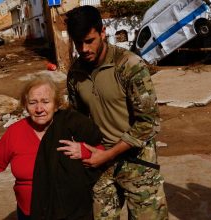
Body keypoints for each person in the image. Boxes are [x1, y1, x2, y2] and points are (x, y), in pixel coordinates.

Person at [63, 5, 169, 220]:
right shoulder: (75, 73)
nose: (83, 49)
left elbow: (149, 123)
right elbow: (79, 119)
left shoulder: (129, 66)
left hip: (137, 164)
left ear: (103, 32)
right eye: (78, 43)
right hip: (100, 165)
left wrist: (109, 154)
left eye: (89, 41)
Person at [0, 75, 103, 219]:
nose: (39, 108)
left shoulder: (72, 125)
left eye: (45, 102)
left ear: (56, 104)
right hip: (30, 212)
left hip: (70, 211)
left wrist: (84, 151)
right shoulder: (15, 132)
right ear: (25, 105)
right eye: (32, 102)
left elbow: (101, 151)